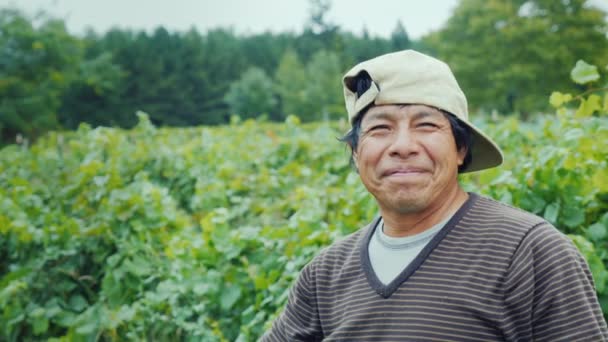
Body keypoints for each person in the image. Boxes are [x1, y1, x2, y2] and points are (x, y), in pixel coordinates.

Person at [261, 50, 608, 341]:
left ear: (460, 148)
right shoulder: (326, 274)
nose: (402, 147)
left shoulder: (530, 253)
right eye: (380, 128)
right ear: (356, 153)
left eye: (426, 125)